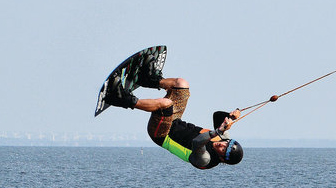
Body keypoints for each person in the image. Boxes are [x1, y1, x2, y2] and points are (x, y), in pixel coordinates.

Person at [104, 71, 243, 169]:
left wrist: (218, 130)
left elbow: (197, 142)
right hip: (175, 119)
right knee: (181, 84)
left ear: (223, 159)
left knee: (165, 104)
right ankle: (148, 79)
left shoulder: (206, 160)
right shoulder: (223, 138)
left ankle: (121, 99)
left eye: (224, 150)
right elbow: (217, 115)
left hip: (161, 134)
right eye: (226, 144)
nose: (222, 145)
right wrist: (231, 116)